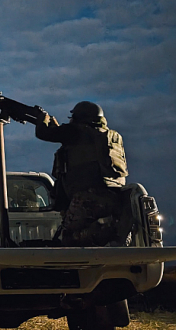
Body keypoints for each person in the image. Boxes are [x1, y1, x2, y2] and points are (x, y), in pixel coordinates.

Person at [34, 101, 130, 246]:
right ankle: (112, 232)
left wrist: (42, 118)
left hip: (86, 197)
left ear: (79, 118)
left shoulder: (75, 131)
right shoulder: (111, 136)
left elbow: (43, 133)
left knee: (69, 239)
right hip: (115, 196)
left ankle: (108, 232)